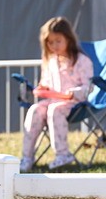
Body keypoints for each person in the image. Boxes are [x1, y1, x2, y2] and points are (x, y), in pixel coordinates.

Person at [21, 16, 93, 172]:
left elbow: (88, 87)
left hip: (75, 102)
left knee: (55, 110)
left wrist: (74, 92)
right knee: (34, 109)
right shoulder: (50, 61)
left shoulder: (82, 60)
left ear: (68, 39)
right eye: (50, 42)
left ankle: (63, 154)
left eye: (58, 41)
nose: (54, 46)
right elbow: (45, 82)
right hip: (53, 100)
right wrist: (41, 88)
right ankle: (26, 157)